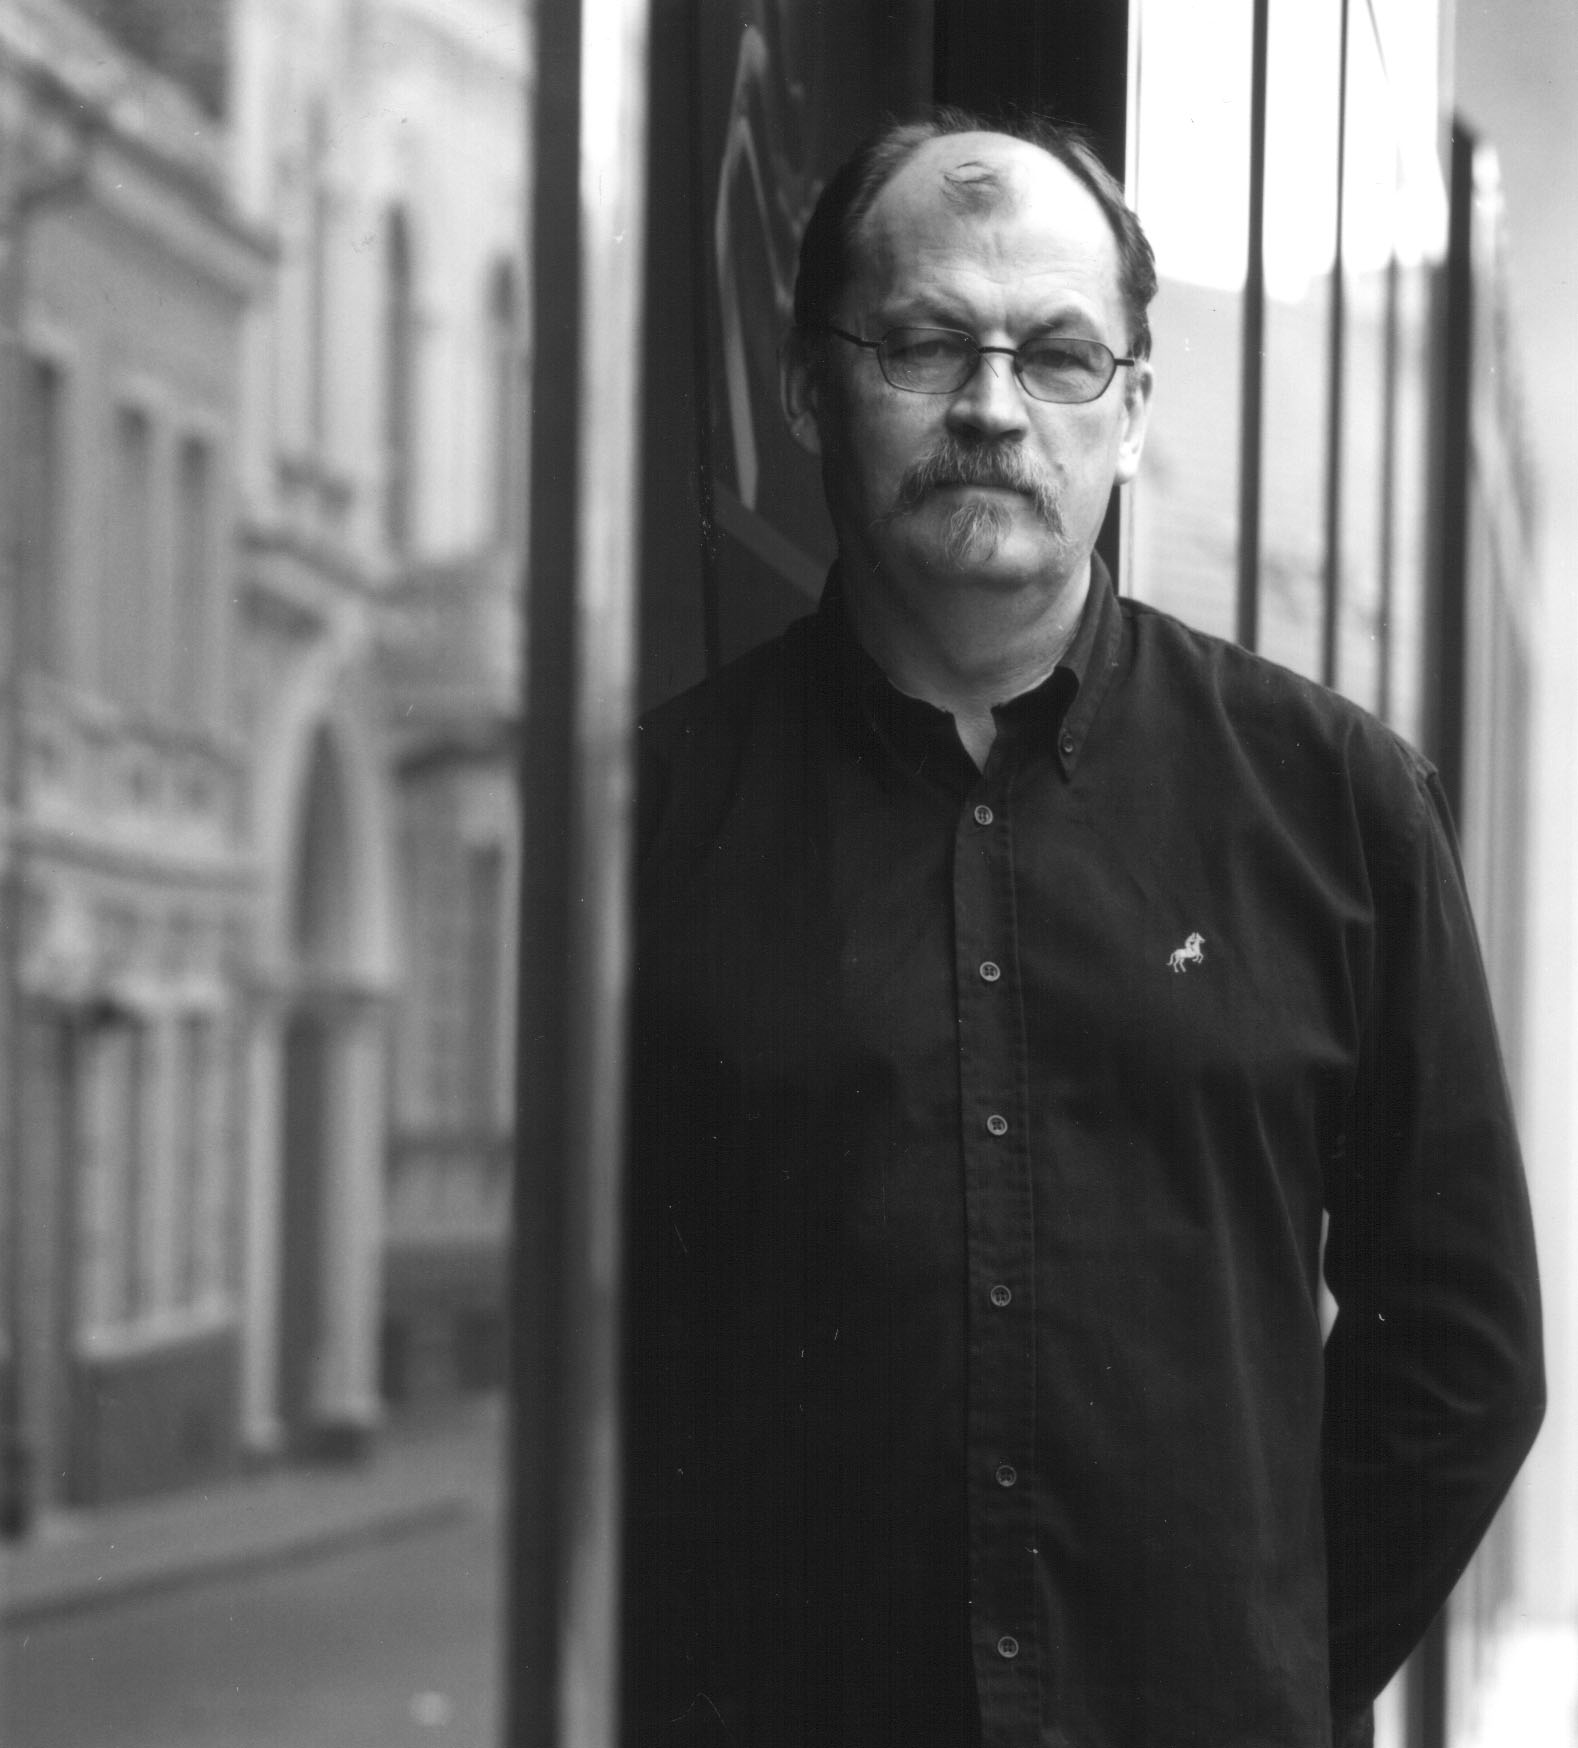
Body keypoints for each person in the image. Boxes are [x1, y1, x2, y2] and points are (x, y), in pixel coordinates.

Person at [625, 108, 1545, 1748]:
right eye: (924, 342)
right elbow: (590, 1373)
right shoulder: (651, 822)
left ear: (1130, 413)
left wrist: (1259, 1679)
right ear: (807, 387)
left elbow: (1462, 1358)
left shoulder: (1333, 802)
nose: (992, 407)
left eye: (1057, 356)